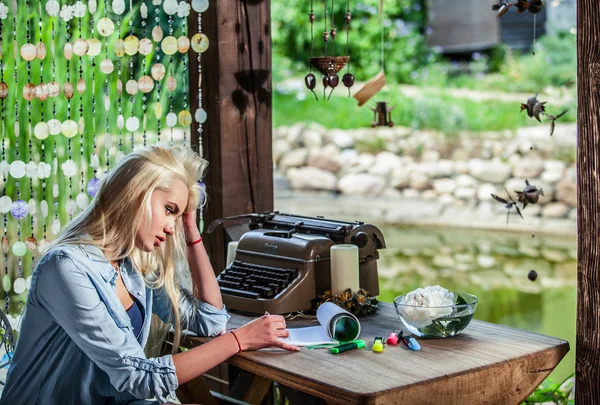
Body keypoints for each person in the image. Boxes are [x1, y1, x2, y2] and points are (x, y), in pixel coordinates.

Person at [0, 145, 299, 405]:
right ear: (137, 193)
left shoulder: (132, 266)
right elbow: (137, 376)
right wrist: (239, 340)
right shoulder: (65, 268)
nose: (172, 227)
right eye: (169, 210)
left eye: (177, 215)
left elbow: (209, 320)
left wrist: (191, 230)